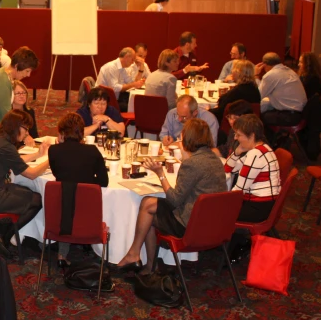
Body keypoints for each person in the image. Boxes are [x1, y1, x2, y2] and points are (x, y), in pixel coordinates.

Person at [117, 118, 227, 273]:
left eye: (181, 137)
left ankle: (147, 265)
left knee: (148, 215)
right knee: (148, 203)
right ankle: (134, 255)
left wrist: (160, 173)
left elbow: (174, 200)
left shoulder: (192, 164)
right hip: (214, 223)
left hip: (191, 226)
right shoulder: (214, 160)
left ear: (187, 138)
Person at [0, 110, 49, 244]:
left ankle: (4, 229)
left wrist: (38, 155)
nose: (27, 133)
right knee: (37, 200)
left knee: (27, 192)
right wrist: (50, 159)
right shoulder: (5, 146)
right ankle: (7, 236)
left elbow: (15, 160)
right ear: (16, 126)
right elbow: (32, 174)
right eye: (26, 129)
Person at [48, 113, 109, 269]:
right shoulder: (92, 151)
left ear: (61, 133)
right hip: (87, 214)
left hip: (62, 214)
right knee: (80, 198)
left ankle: (62, 254)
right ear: (82, 132)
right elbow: (104, 181)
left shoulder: (54, 151)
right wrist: (87, 181)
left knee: (66, 198)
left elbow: (57, 175)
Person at [224, 115, 281, 223]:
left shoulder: (256, 155)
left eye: (238, 135)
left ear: (251, 136)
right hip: (264, 203)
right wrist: (237, 152)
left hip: (258, 207)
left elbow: (239, 191)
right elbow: (228, 169)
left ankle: (229, 238)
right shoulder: (263, 148)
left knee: (216, 211)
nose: (235, 137)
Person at [0, 47, 39, 138]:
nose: (28, 75)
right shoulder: (3, 81)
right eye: (27, 71)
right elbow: (7, 116)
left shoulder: (3, 72)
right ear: (17, 66)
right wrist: (25, 135)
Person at [257, 52, 307, 127]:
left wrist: (256, 75)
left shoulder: (270, 75)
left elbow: (257, 96)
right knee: (267, 107)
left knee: (258, 116)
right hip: (301, 113)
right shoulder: (290, 71)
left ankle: (269, 138)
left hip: (289, 116)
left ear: (264, 65)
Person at [94, 47, 148, 111]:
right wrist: (133, 84)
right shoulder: (111, 67)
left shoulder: (122, 68)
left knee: (137, 103)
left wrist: (141, 68)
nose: (133, 62)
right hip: (104, 100)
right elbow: (114, 88)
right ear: (126, 57)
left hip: (115, 97)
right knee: (136, 107)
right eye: (132, 60)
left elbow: (132, 81)